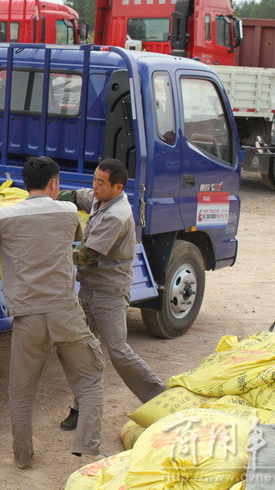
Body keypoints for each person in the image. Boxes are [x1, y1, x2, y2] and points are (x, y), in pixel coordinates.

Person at [0, 157, 105, 468]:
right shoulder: (69, 211)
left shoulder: (5, 215)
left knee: (21, 393)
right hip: (66, 313)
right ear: (54, 183)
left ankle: (23, 456)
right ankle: (89, 450)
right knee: (90, 380)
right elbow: (79, 239)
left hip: (28, 317)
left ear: (24, 184)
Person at [56, 158, 166, 432]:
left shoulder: (118, 216)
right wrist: (47, 197)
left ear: (117, 187)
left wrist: (49, 251)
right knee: (82, 351)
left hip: (109, 294)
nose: (94, 186)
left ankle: (161, 399)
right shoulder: (98, 198)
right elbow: (75, 196)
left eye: (100, 182)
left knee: (118, 351)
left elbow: (88, 255)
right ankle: (80, 408)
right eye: (94, 179)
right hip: (89, 290)